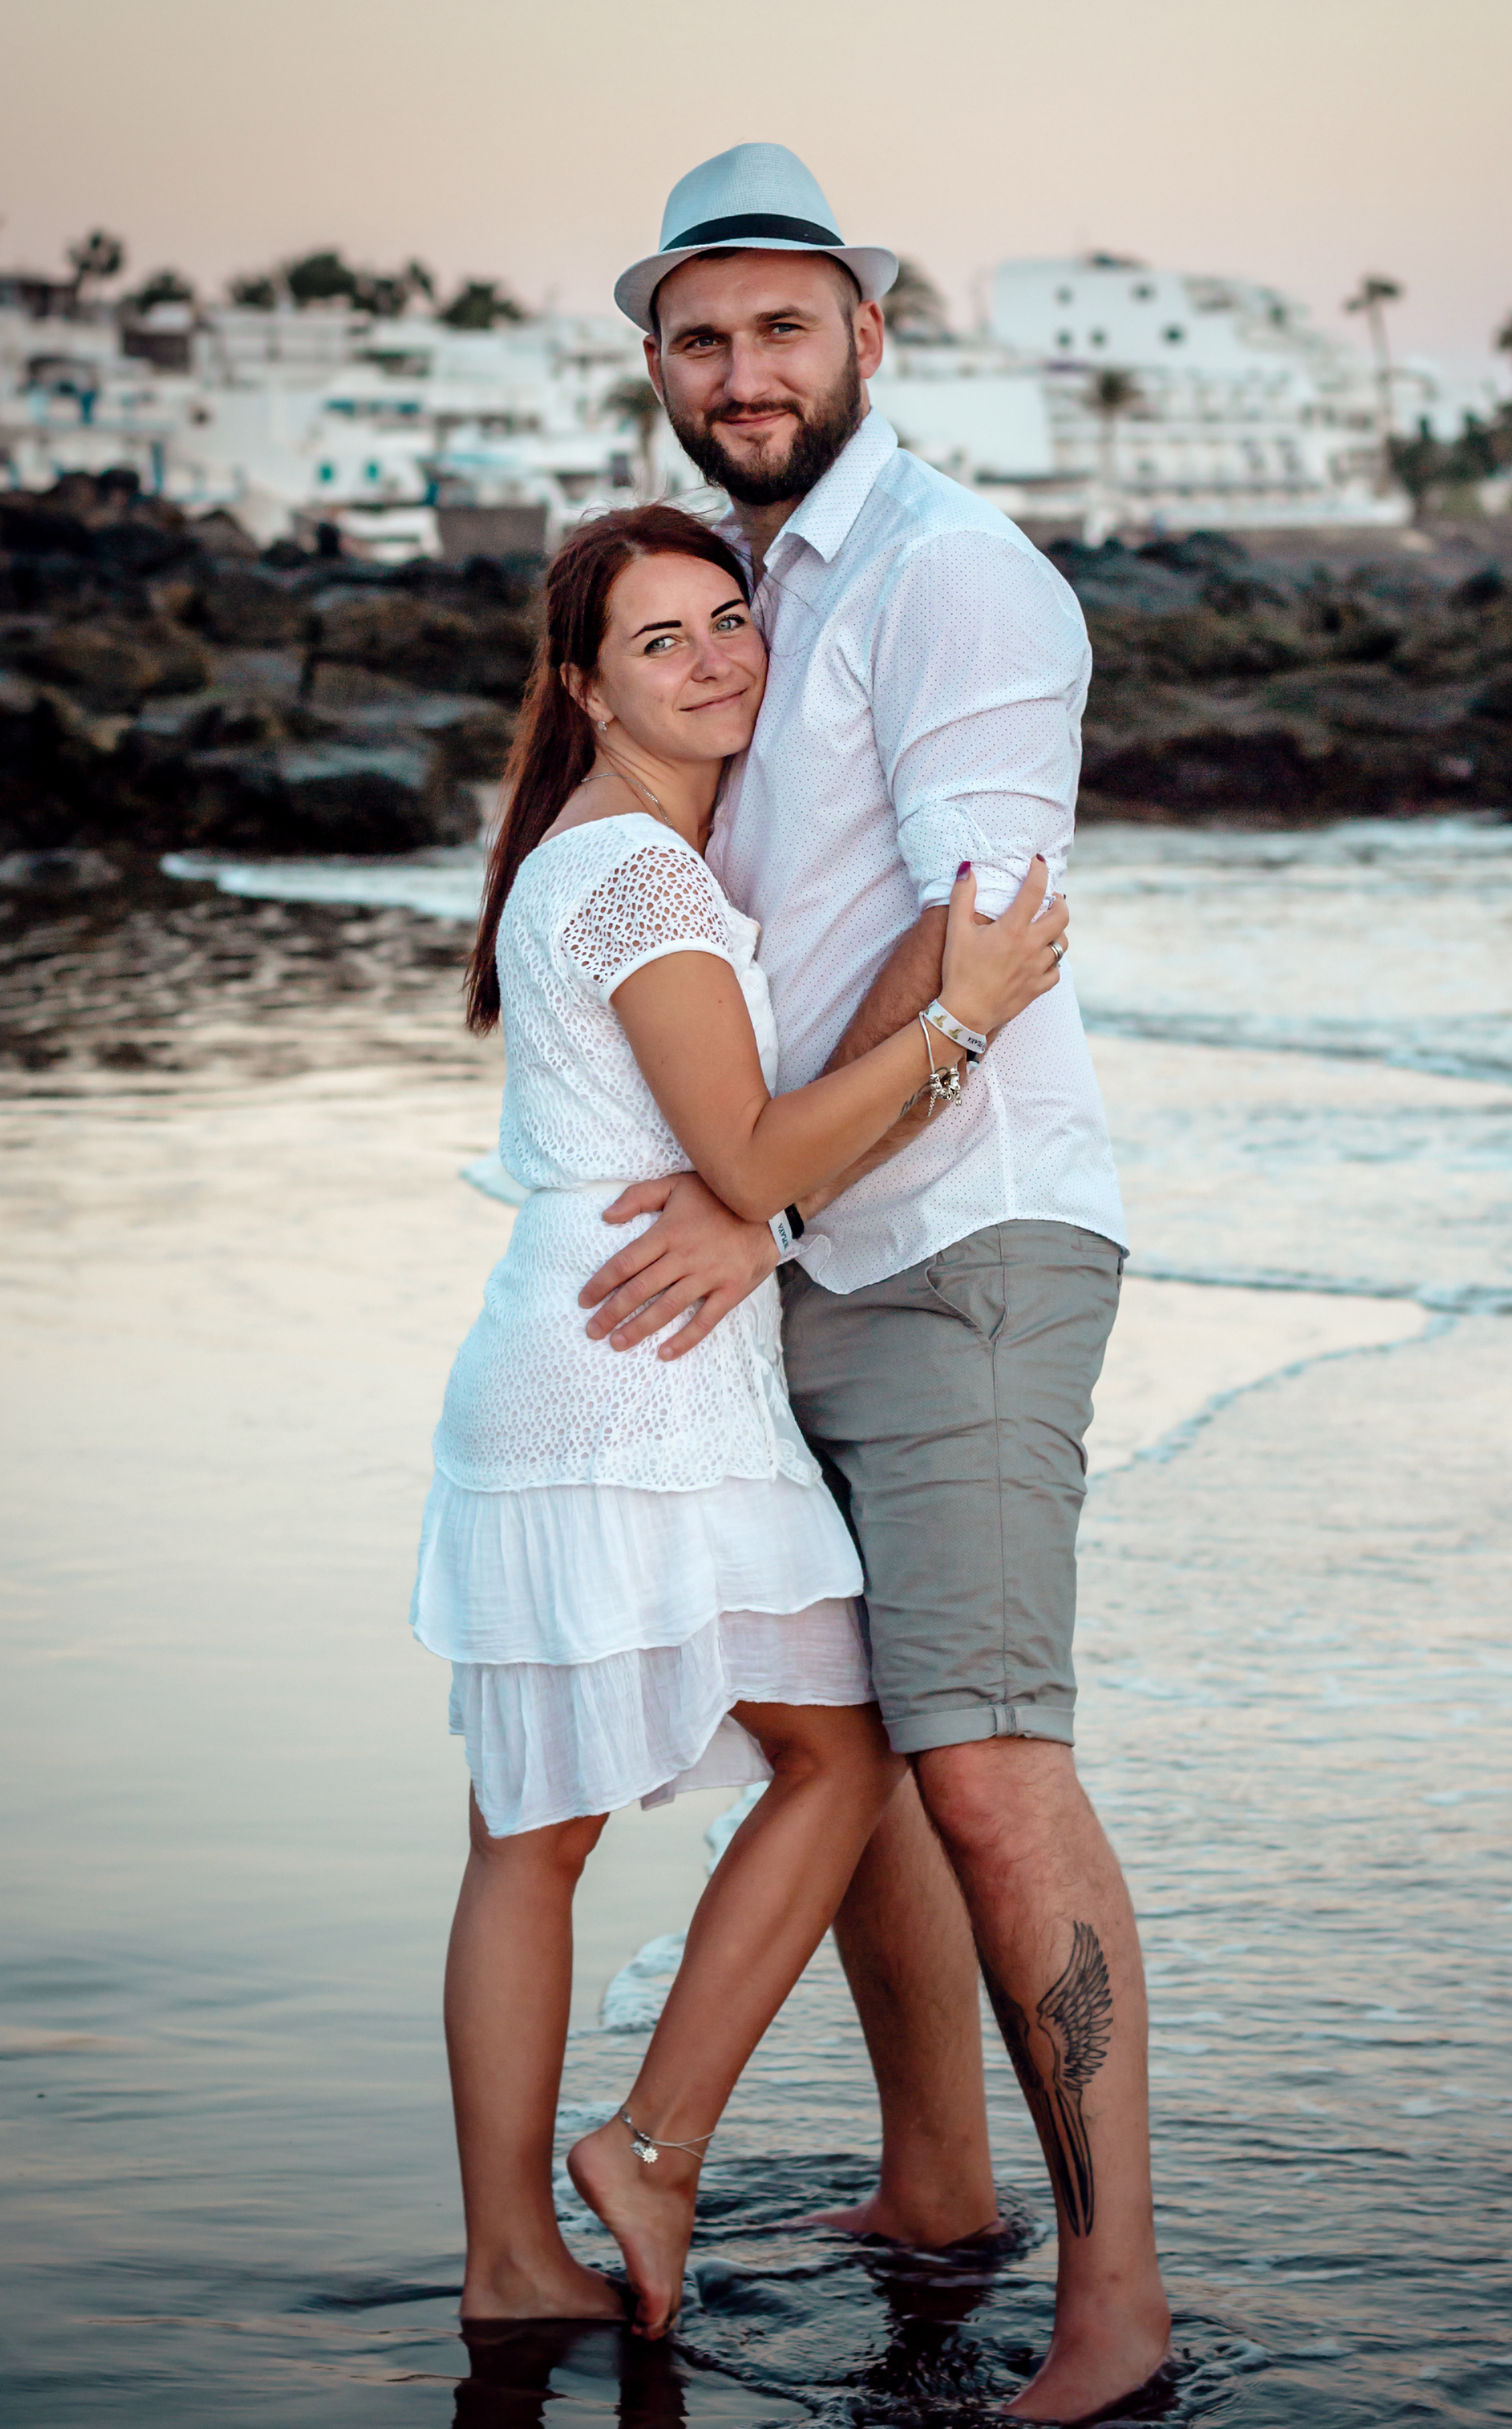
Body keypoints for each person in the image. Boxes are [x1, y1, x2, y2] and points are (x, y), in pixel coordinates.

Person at [578, 146, 1172, 2420]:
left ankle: (1117, 2311)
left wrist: (767, 1187)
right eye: (704, 339)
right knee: (855, 1743)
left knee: (995, 1756)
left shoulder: (952, 580)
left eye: (783, 330)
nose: (745, 372)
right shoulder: (745, 592)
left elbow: (986, 938)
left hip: (962, 1242)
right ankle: (941, 2187)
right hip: (814, 1242)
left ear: (866, 341)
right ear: (662, 365)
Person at [410, 502, 1069, 2340]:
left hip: (577, 1367)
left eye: (728, 621)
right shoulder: (635, 878)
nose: (715, 659)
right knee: (843, 1756)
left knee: (529, 1837)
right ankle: (649, 2143)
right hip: (636, 1387)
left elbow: (735, 1157)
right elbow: (757, 1156)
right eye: (660, 641)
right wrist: (971, 1012)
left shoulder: (594, 861)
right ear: (583, 689)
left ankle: (509, 2261)